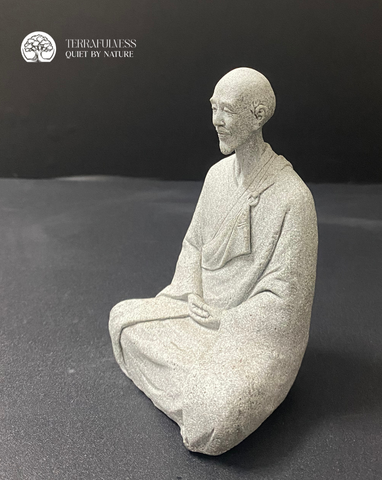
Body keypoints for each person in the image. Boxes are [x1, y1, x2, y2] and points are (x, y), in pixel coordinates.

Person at [109, 67, 318, 455]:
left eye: (228, 110)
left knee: (214, 417)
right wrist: (189, 294)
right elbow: (194, 245)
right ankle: (198, 386)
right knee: (122, 319)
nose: (216, 121)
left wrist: (227, 319)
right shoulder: (216, 177)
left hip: (249, 338)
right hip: (196, 314)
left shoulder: (293, 199)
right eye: (213, 108)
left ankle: (207, 395)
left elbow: (287, 301)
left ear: (257, 115)